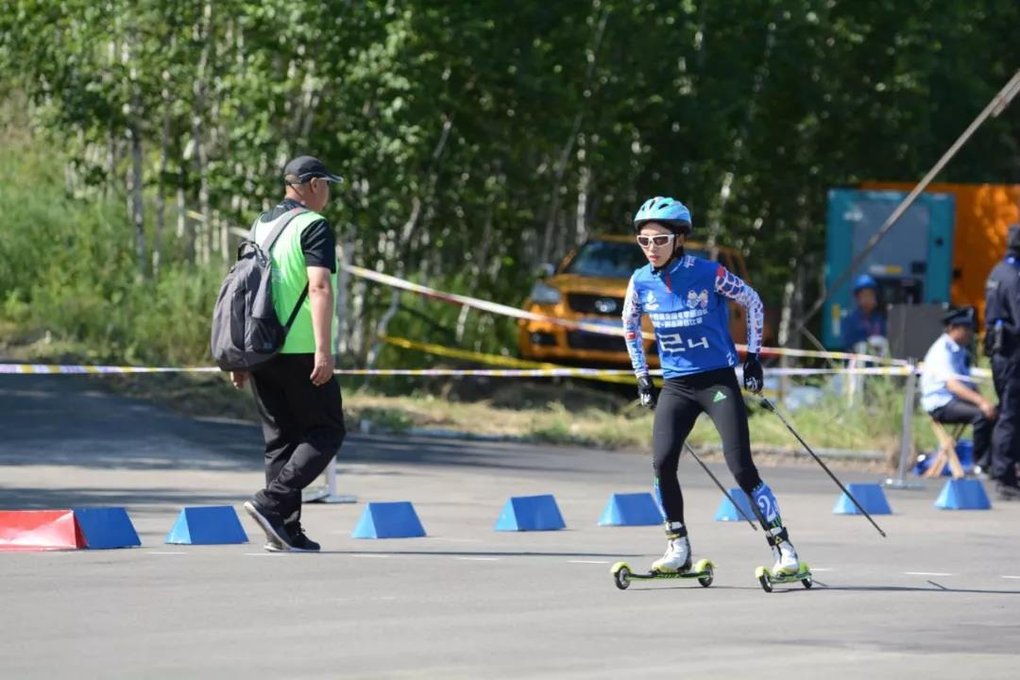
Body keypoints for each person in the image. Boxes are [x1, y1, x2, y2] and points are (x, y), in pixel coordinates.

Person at [621, 195, 801, 576]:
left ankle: (784, 549)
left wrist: (753, 357)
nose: (651, 248)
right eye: (644, 241)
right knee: (661, 464)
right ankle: (678, 547)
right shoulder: (640, 282)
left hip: (717, 382)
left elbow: (752, 302)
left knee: (740, 467)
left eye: (660, 240)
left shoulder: (709, 273)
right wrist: (642, 375)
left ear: (679, 238)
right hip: (675, 386)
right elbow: (630, 327)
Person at [236, 155, 347, 551]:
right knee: (327, 431)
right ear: (313, 185)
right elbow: (319, 288)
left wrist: (240, 354)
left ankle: (285, 529)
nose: (329, 193)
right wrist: (324, 349)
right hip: (300, 348)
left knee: (281, 440)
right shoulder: (314, 227)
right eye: (327, 185)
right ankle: (270, 502)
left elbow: (243, 287)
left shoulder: (261, 225)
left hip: (261, 346)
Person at [919, 306, 996, 480]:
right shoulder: (942, 350)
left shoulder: (960, 350)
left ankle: (997, 462)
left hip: (953, 401)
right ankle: (981, 465)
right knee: (981, 415)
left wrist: (986, 402)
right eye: (965, 329)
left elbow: (967, 382)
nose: (970, 333)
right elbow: (953, 385)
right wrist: (981, 403)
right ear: (952, 328)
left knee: (997, 414)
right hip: (940, 404)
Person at [984, 224, 1020, 500]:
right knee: (1011, 415)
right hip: (1012, 353)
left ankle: (1000, 469)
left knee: (1007, 412)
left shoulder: (997, 271)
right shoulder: (1015, 276)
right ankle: (1006, 477)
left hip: (999, 353)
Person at [841, 274, 888, 352]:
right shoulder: (850, 320)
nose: (868, 299)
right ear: (857, 298)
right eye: (864, 295)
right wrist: (867, 343)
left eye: (870, 295)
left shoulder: (881, 319)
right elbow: (847, 344)